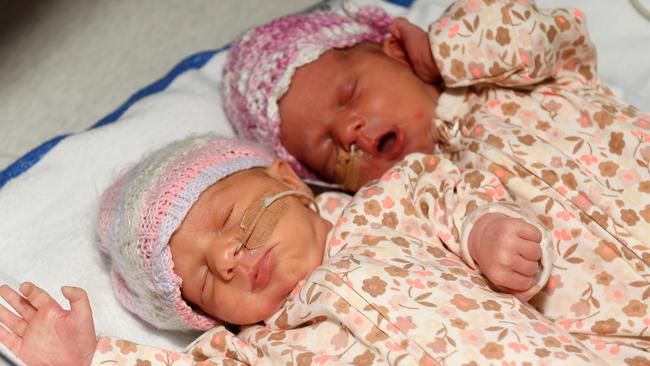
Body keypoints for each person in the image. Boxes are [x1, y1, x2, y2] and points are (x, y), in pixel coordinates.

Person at [223, 0, 650, 361]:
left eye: (348, 93)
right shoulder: (427, 218)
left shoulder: (501, 80)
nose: (349, 129)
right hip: (622, 325)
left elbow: (553, 33)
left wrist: (445, 51)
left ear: (393, 51)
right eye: (331, 151)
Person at [4, 133, 626, 365]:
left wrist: (484, 232)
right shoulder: (257, 350)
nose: (227, 257)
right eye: (204, 279)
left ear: (287, 180)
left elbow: (448, 190)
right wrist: (82, 362)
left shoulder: (387, 208)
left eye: (227, 216)